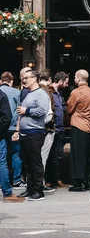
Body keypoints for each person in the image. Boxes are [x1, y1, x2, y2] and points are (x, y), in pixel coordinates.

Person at [17, 69, 50, 201]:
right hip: (25, 133)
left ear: (34, 79)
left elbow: (43, 110)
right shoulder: (27, 94)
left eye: (27, 78)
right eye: (23, 78)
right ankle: (30, 189)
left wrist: (27, 110)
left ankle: (38, 190)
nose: (24, 80)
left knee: (35, 162)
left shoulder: (41, 94)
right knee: (27, 163)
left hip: (35, 132)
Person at [66, 70, 90, 192]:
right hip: (89, 126)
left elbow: (69, 109)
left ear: (79, 79)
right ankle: (89, 180)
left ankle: (78, 183)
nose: (74, 79)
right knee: (89, 155)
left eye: (74, 77)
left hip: (78, 125)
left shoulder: (76, 92)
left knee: (78, 155)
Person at [0, 72, 24, 188]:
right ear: (12, 82)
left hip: (1, 128)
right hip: (14, 127)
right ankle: (16, 180)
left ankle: (2, 181)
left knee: (2, 157)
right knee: (16, 154)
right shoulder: (17, 92)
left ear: (1, 81)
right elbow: (19, 112)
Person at [45, 71, 68, 189]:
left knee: (58, 155)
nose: (67, 85)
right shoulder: (49, 92)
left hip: (60, 128)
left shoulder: (59, 94)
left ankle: (56, 178)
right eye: (66, 82)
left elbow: (62, 108)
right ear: (60, 81)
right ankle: (49, 179)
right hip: (53, 128)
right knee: (49, 154)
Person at [38, 71, 55, 193]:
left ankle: (37, 183)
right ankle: (40, 184)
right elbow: (49, 113)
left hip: (37, 129)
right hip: (47, 128)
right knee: (42, 158)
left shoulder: (35, 91)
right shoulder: (47, 92)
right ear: (49, 80)